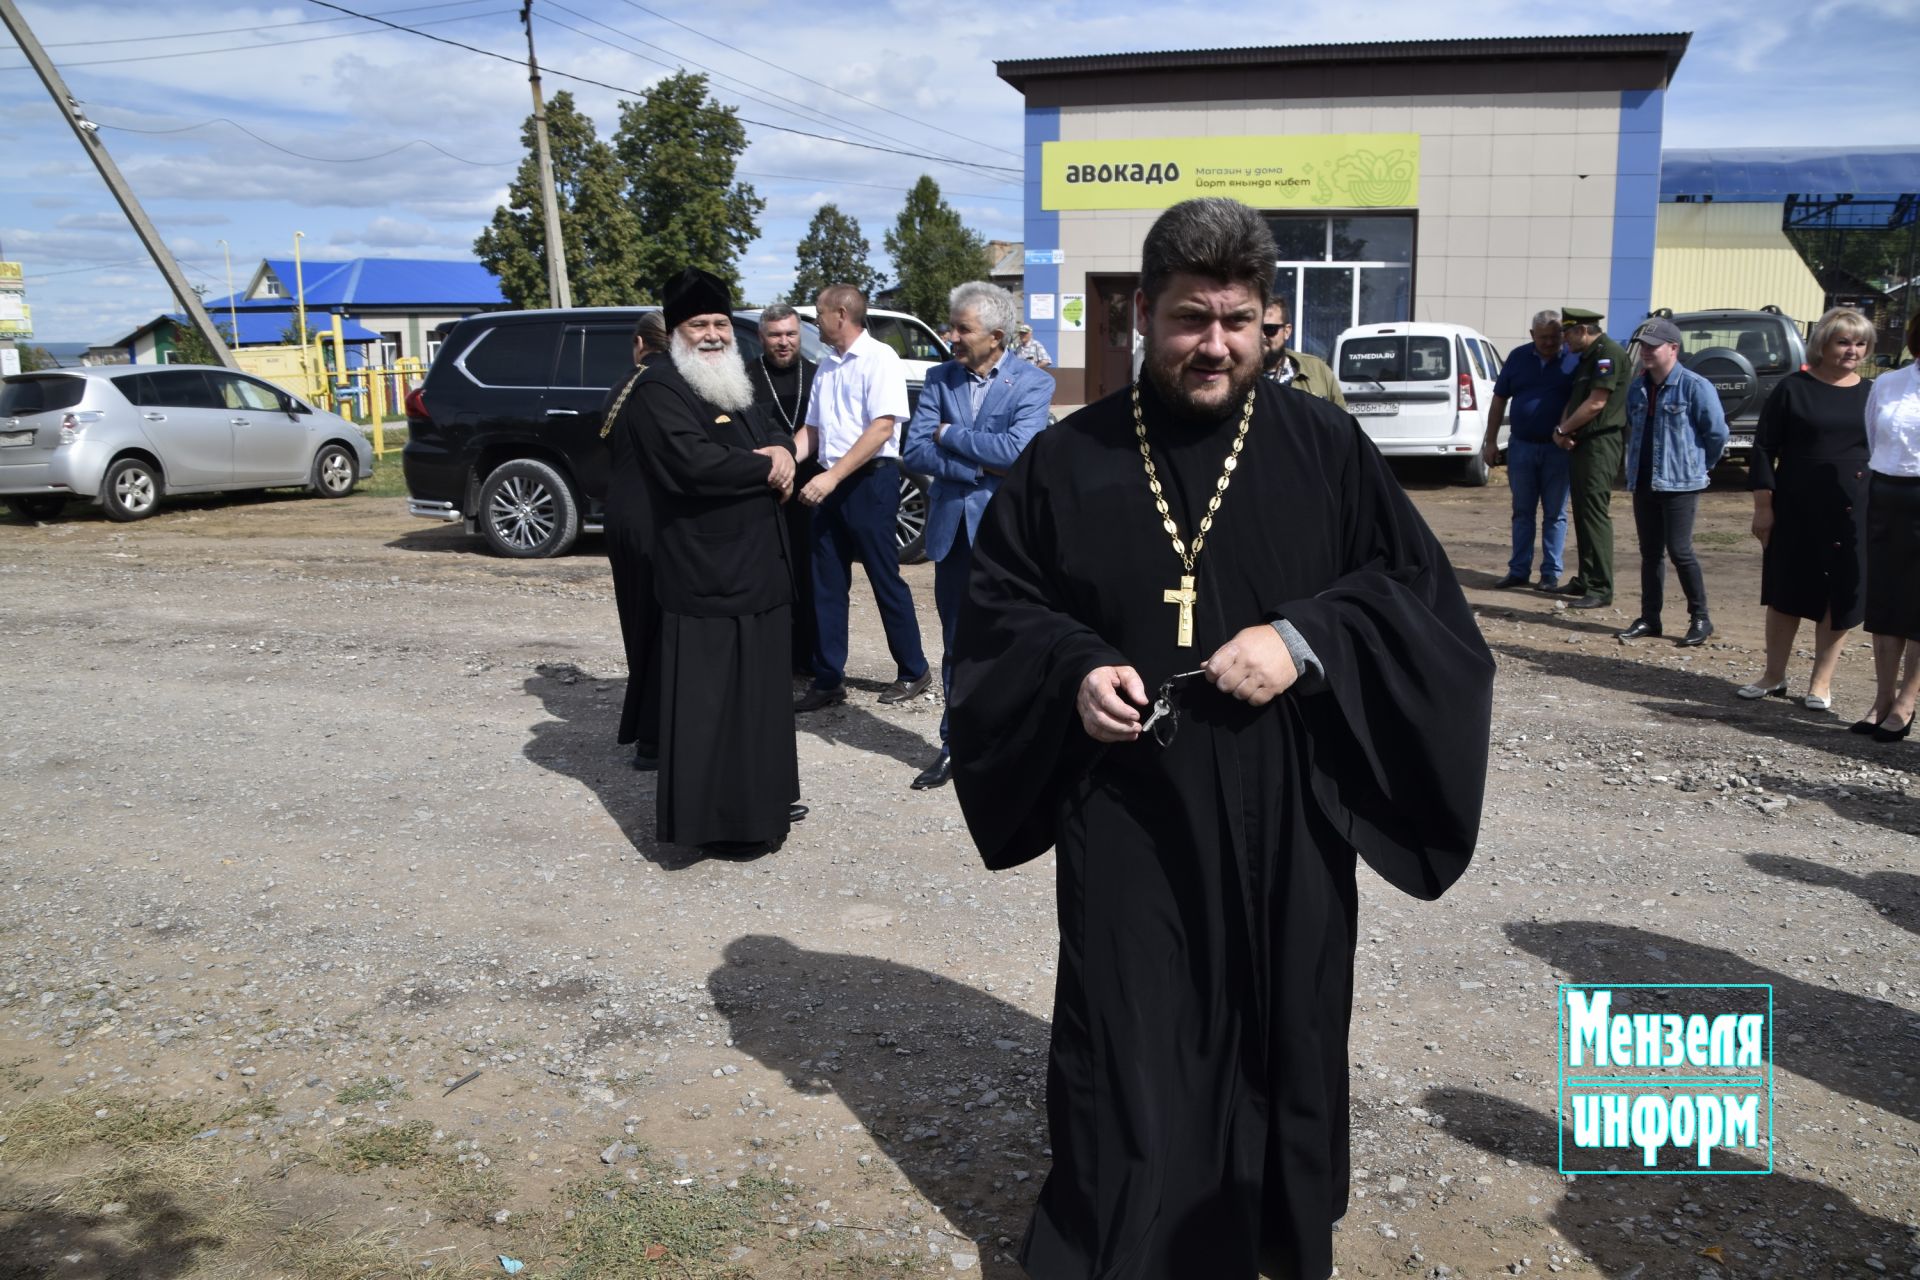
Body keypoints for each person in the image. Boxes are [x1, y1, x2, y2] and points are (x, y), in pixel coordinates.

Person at [948, 198, 1493, 1280]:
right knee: (1126, 1024)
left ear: (1271, 320)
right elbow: (1000, 605)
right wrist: (1071, 671)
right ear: (1143, 313)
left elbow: (1416, 601)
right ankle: (1124, 1231)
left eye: (1238, 320)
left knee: (1282, 1017)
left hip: (1286, 801)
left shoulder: (1326, 445)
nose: (1216, 344)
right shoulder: (1069, 459)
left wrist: (1305, 637)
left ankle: (1271, 1229)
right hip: (1127, 801)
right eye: (1192, 318)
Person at [628, 267, 804, 856]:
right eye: (699, 324)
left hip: (758, 571)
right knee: (713, 707)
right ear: (676, 331)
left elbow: (775, 432)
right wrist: (767, 467)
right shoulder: (659, 388)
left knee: (759, 701)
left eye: (722, 323)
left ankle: (763, 807)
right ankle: (713, 824)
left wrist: (779, 450)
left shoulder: (737, 381)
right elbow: (692, 462)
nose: (712, 334)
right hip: (707, 575)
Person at [900, 280, 1054, 790]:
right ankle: (954, 745)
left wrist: (951, 435)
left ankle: (1010, 745)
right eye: (953, 327)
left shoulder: (1033, 383)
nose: (952, 336)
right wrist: (971, 467)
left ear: (996, 335)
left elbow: (1017, 453)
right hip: (954, 539)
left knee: (1012, 644)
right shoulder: (939, 377)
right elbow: (915, 449)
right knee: (956, 645)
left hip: (1009, 538)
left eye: (962, 329)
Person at [793, 284, 932, 711]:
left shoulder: (880, 358)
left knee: (883, 577)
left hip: (871, 482)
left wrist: (831, 477)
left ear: (840, 314)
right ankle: (828, 677)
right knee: (827, 583)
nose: (815, 321)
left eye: (819, 313)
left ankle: (914, 670)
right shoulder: (827, 366)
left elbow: (882, 428)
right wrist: (784, 458)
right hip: (831, 481)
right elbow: (812, 431)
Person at [1738, 306, 1876, 707]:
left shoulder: (1872, 393)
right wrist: (1764, 506)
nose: (1853, 350)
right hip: (1796, 505)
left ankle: (1821, 683)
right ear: (1823, 344)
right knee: (1786, 591)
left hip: (1853, 506)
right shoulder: (1792, 388)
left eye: (1861, 343)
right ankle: (1773, 675)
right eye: (1844, 341)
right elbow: (1764, 449)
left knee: (1839, 594)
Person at [1615, 316, 1728, 647]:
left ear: (1673, 348)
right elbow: (1633, 431)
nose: (1647, 353)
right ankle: (1650, 618)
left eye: (1653, 347)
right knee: (1650, 552)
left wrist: (1697, 467)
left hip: (1681, 484)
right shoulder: (1637, 387)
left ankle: (1701, 617)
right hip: (1645, 481)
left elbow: (1717, 434)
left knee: (1680, 550)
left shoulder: (1695, 386)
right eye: (1643, 347)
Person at [601, 311, 670, 769]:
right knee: (664, 631)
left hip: (621, 515)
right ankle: (656, 737)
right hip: (655, 518)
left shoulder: (626, 384)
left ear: (640, 343)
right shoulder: (668, 386)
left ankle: (649, 737)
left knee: (637, 627)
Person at [1484, 309, 1579, 590]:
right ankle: (1518, 570)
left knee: (1555, 513)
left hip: (1557, 450)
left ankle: (1550, 573)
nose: (1549, 343)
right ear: (1532, 336)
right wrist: (1490, 441)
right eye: (1543, 338)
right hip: (1522, 447)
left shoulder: (1573, 359)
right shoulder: (1517, 357)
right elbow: (1499, 399)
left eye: (1554, 337)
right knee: (1522, 511)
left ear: (1562, 335)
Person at [749, 303, 820, 680]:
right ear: (761, 337)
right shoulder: (745, 379)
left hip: (810, 492)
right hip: (762, 494)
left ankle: (808, 657)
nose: (783, 342)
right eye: (775, 335)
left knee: (809, 578)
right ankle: (772, 657)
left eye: (790, 334)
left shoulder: (818, 376)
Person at [1860, 309, 1920, 742]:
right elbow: (1872, 437)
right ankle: (1881, 698)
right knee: (1885, 601)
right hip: (1886, 494)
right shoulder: (1888, 383)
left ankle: (1906, 701)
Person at [1553, 306, 1630, 609]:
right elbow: (1577, 400)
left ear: (1583, 330)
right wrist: (1563, 431)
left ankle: (1600, 586)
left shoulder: (1607, 355)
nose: (1565, 341)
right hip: (1582, 442)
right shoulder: (1589, 356)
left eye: (1568, 334)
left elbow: (1597, 403)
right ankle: (1586, 578)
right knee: (1583, 512)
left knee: (1594, 513)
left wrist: (1562, 429)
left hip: (1600, 443)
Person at [1260, 297, 1346, 406]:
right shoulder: (1237, 376)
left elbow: (1341, 420)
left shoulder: (1317, 370)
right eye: (1256, 329)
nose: (1262, 336)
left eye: (1269, 329)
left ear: (1286, 332)